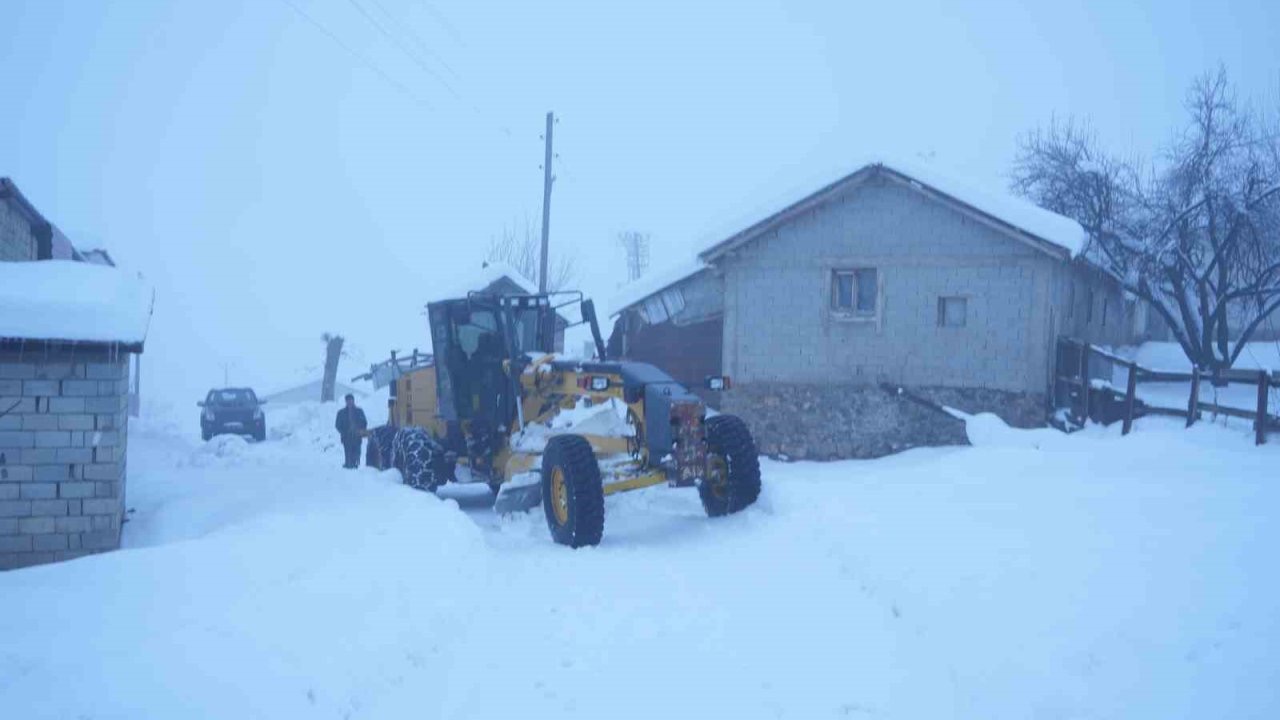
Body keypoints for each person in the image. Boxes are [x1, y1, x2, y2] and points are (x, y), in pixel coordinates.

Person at [334, 394, 368, 469]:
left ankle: (356, 464)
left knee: (357, 451)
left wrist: (359, 429)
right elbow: (337, 425)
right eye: (348, 400)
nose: (349, 402)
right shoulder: (341, 413)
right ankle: (348, 464)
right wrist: (343, 432)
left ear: (353, 400)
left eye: (351, 400)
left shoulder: (359, 411)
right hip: (346, 436)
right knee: (348, 451)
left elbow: (364, 422)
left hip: (357, 435)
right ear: (345, 402)